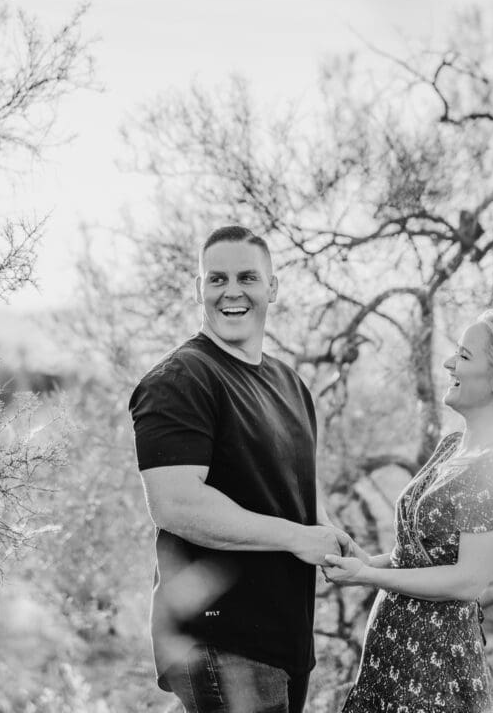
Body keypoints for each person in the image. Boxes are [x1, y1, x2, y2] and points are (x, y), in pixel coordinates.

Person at [129, 225, 350, 713]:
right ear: (199, 289)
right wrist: (296, 537)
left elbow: (291, 489)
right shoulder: (180, 380)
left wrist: (329, 534)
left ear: (273, 287)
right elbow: (177, 505)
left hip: (285, 643)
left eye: (247, 277)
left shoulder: (289, 383)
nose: (231, 292)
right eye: (217, 279)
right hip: (219, 641)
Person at [324, 309, 493, 713]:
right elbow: (417, 556)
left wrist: (370, 577)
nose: (448, 363)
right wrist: (364, 562)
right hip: (389, 668)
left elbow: (467, 580)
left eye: (463, 356)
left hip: (434, 683)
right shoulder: (451, 447)